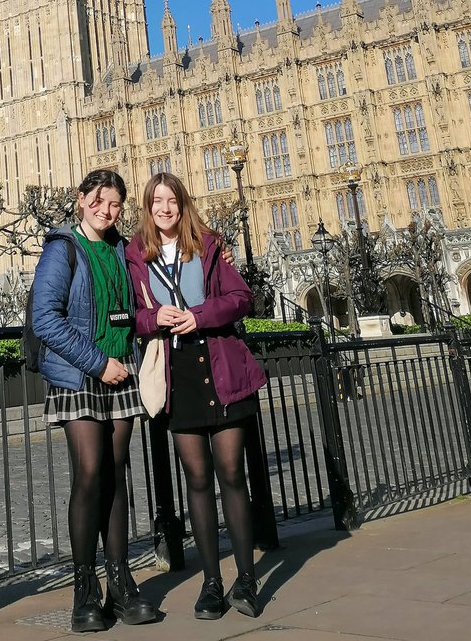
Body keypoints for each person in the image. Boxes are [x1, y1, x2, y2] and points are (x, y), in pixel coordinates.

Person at [126, 173, 267, 621]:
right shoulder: (135, 255)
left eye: (171, 200)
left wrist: (200, 315)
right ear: (147, 209)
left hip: (222, 366)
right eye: (155, 202)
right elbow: (130, 315)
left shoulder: (207, 245)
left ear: (182, 205)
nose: (163, 208)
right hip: (178, 374)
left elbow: (241, 298)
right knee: (198, 481)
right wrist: (154, 318)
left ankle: (246, 580)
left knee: (231, 474)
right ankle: (211, 582)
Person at [31, 169, 158, 633]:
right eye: (100, 202)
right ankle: (84, 589)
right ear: (81, 200)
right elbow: (45, 318)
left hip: (121, 371)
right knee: (89, 474)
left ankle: (120, 583)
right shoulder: (63, 248)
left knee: (116, 474)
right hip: (81, 376)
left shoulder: (123, 251)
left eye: (116, 204)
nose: (108, 211)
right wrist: (96, 362)